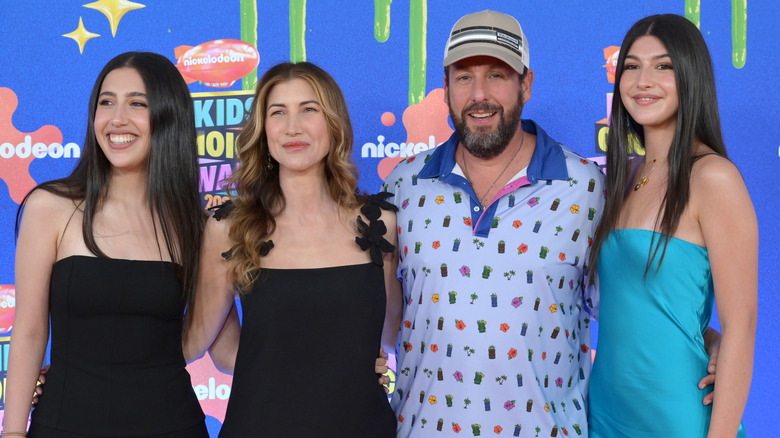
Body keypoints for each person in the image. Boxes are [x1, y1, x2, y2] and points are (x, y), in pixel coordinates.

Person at [383, 10, 605, 437]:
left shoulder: (586, 188)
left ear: (526, 84)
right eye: (463, 77)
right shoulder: (403, 186)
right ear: (445, 88)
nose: (479, 95)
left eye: (497, 75)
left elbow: (624, 312)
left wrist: (702, 338)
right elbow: (376, 310)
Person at [183, 61, 402, 437]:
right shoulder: (230, 228)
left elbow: (389, 335)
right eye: (278, 112)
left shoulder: (380, 223)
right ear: (263, 130)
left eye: (308, 110)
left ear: (333, 124)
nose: (292, 127)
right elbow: (211, 346)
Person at [3, 52, 208, 437]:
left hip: (170, 424)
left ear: (169, 116)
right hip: (63, 425)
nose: (117, 119)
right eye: (106, 102)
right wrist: (12, 432)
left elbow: (213, 341)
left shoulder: (196, 226)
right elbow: (29, 333)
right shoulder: (50, 207)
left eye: (137, 103)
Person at [587, 14, 756, 437]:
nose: (644, 80)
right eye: (631, 65)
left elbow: (743, 326)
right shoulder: (622, 176)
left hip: (676, 416)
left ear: (691, 76)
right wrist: (705, 334)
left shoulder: (713, 177)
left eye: (664, 66)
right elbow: (650, 302)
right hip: (605, 413)